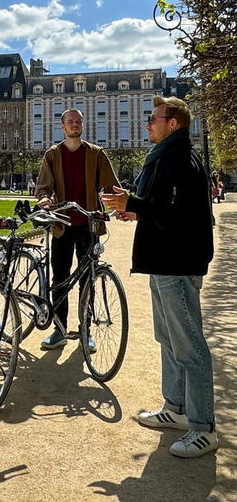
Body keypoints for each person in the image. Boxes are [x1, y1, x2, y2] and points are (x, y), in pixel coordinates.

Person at [100, 96, 217, 458]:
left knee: (189, 346)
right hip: (163, 260)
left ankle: (203, 427)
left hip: (177, 262)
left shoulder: (179, 157)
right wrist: (133, 206)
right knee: (168, 338)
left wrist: (132, 205)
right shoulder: (167, 155)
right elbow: (162, 207)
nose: (147, 123)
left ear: (173, 124)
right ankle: (175, 408)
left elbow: (178, 215)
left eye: (154, 118)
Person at [35, 108, 119, 351]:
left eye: (78, 121)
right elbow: (43, 187)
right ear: (62, 127)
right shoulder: (53, 154)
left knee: (88, 280)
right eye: (70, 122)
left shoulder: (95, 154)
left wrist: (119, 206)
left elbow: (111, 186)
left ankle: (85, 330)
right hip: (62, 225)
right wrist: (43, 199)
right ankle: (59, 330)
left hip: (88, 226)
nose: (75, 125)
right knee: (59, 279)